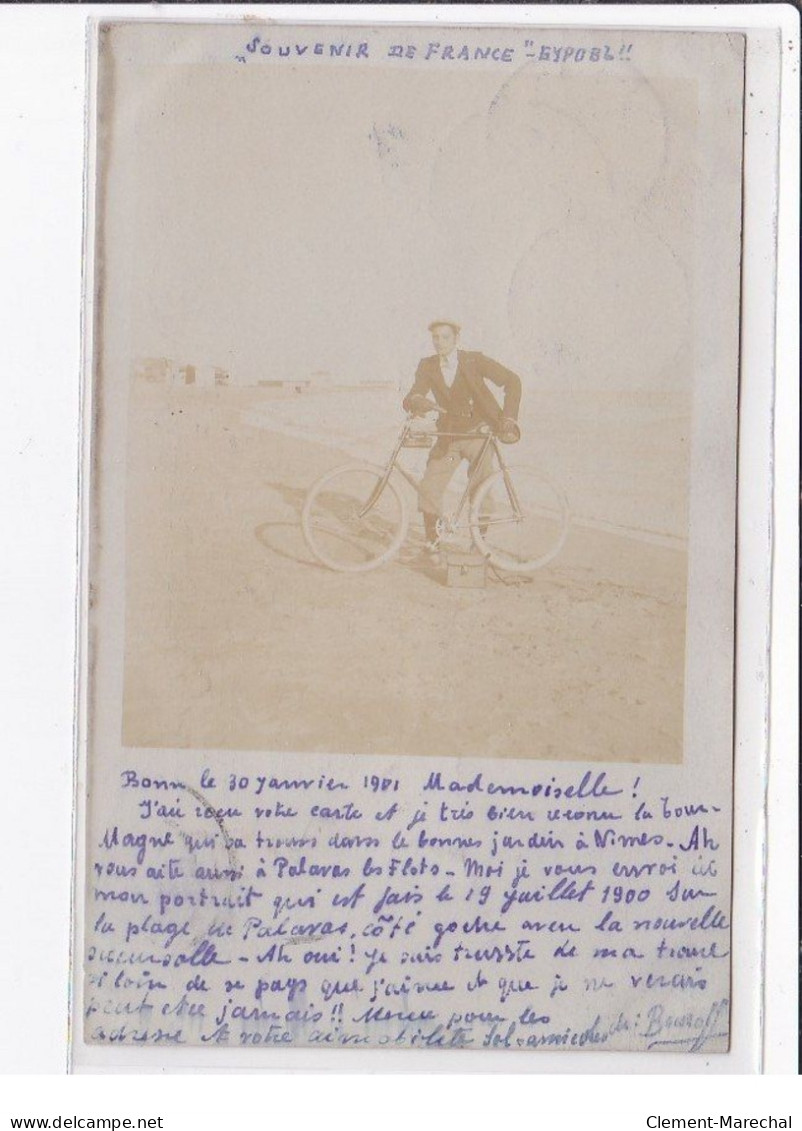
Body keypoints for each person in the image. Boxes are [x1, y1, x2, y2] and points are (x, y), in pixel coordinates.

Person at [402, 320, 522, 551]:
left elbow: (512, 381)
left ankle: (479, 544)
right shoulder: (427, 365)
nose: (439, 342)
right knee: (430, 486)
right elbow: (413, 394)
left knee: (481, 489)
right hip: (448, 437)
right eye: (435, 337)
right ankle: (432, 542)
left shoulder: (474, 361)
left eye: (445, 337)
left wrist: (508, 418)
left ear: (456, 338)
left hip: (479, 434)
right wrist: (418, 400)